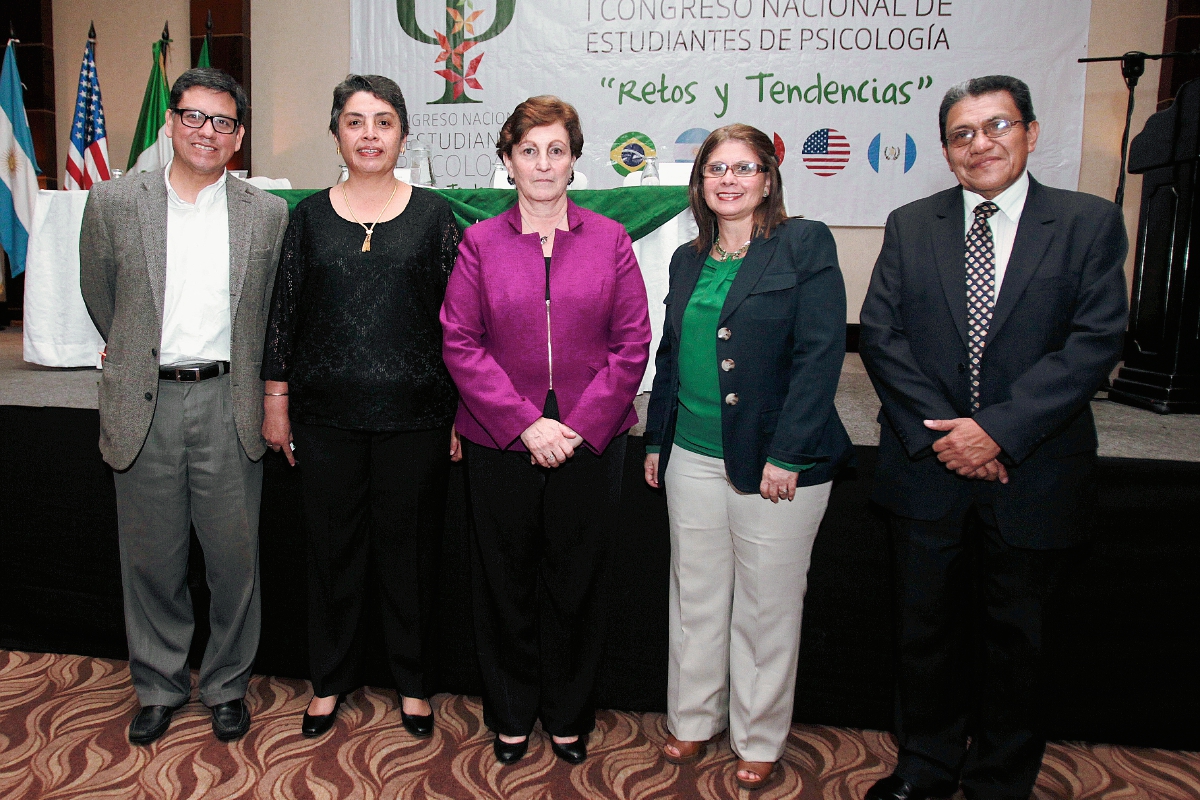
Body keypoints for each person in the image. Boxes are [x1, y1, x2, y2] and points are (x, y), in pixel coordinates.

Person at [858, 75, 1129, 800]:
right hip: (927, 468)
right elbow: (882, 337)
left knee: (1020, 643)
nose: (981, 144)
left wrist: (997, 432)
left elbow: (1094, 342)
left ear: (1031, 133)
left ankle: (999, 781)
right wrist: (950, 437)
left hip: (1035, 469)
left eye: (997, 126)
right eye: (962, 134)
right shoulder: (912, 223)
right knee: (924, 636)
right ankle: (924, 765)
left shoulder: (1086, 222)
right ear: (946, 152)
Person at [79, 68, 288, 745]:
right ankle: (161, 685)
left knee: (235, 561)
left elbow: (272, 315)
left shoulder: (267, 214)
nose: (206, 131)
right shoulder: (113, 202)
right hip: (147, 403)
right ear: (170, 122)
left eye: (222, 122)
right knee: (152, 561)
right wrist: (136, 352)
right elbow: (99, 296)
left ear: (239, 137)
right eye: (194, 117)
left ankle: (227, 684)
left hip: (230, 402)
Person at [440, 95, 651, 766]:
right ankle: (509, 710)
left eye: (556, 150)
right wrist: (527, 425)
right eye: (528, 150)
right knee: (505, 580)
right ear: (507, 160)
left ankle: (567, 713)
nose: (542, 163)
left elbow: (632, 343)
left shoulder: (611, 240)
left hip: (593, 442)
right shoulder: (479, 243)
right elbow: (460, 343)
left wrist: (579, 426)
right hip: (500, 440)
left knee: (577, 580)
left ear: (574, 160)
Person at [642, 124, 853, 790]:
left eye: (743, 167)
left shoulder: (803, 243)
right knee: (696, 597)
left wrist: (789, 453)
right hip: (692, 452)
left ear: (768, 178)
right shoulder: (686, 257)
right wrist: (656, 439)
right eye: (714, 169)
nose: (727, 180)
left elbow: (822, 355)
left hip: (777, 462)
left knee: (765, 608)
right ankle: (692, 720)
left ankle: (758, 736)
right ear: (699, 182)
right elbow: (671, 356)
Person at [260, 75, 461, 740]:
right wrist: (277, 400)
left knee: (409, 558)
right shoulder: (309, 217)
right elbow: (284, 314)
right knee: (331, 554)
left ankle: (412, 681)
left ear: (405, 134)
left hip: (418, 417)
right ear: (336, 133)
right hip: (325, 419)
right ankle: (330, 680)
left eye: (382, 121)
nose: (369, 134)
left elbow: (459, 323)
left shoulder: (435, 216)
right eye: (355, 121)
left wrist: (464, 412)